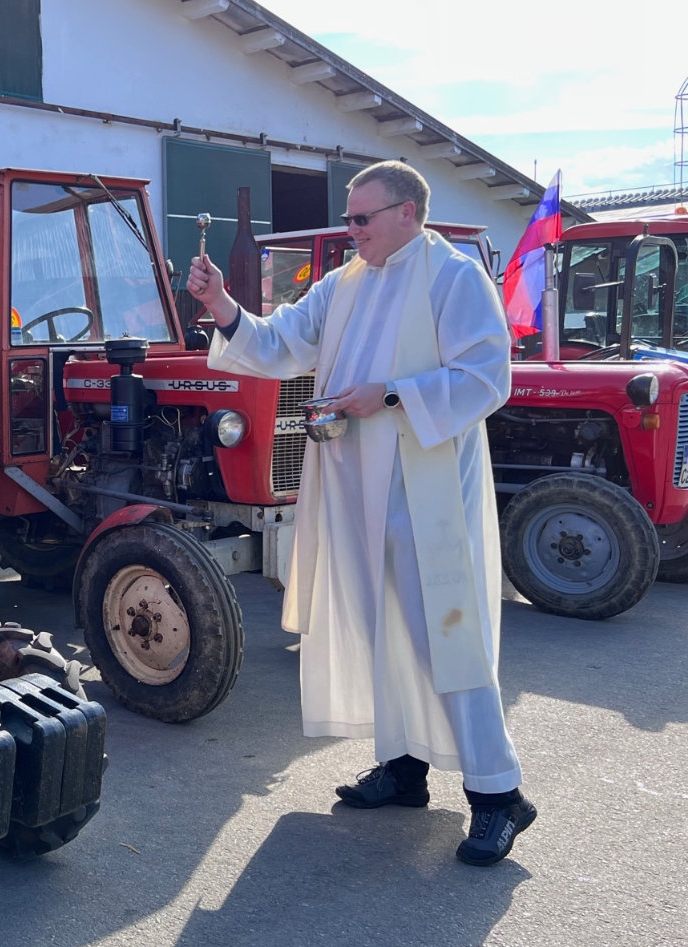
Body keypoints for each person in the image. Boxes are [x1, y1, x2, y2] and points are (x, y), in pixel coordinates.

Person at [185, 161, 534, 866]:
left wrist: (395, 394)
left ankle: (500, 795)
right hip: (355, 487)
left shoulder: (454, 278)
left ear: (408, 213)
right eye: (349, 219)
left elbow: (487, 376)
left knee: (446, 634)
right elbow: (281, 342)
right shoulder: (346, 283)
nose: (350, 232)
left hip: (424, 488)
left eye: (360, 219)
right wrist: (223, 305)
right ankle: (405, 767)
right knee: (379, 627)